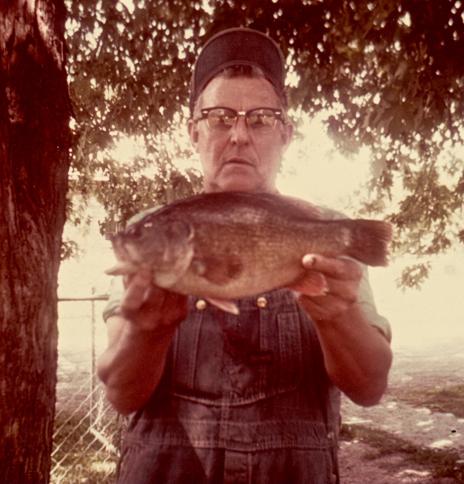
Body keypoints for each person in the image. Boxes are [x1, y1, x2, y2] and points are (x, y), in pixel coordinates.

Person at [98, 27, 392, 484]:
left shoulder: (324, 228)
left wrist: (339, 316)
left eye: (259, 119)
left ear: (285, 133)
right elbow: (121, 395)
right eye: (219, 118)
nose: (238, 136)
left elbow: (370, 387)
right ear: (194, 132)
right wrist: (146, 333)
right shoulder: (154, 226)